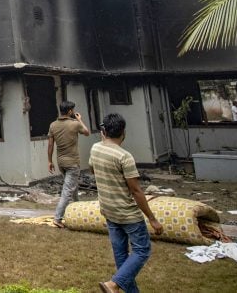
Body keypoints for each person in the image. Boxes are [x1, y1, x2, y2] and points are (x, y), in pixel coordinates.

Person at [89, 113, 164, 293]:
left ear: (103, 131)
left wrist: (102, 140)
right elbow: (136, 191)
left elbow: (93, 169)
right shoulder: (124, 156)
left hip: (108, 210)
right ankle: (113, 284)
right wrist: (152, 219)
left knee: (121, 256)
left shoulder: (95, 148)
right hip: (128, 214)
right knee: (142, 251)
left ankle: (122, 288)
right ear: (123, 132)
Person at [47, 100, 90, 228]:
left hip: (61, 163)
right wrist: (80, 119)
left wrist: (49, 161)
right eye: (73, 110)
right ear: (70, 111)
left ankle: (78, 208)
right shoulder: (75, 124)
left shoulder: (53, 125)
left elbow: (50, 145)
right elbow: (87, 132)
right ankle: (57, 218)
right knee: (67, 190)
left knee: (73, 186)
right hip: (72, 163)